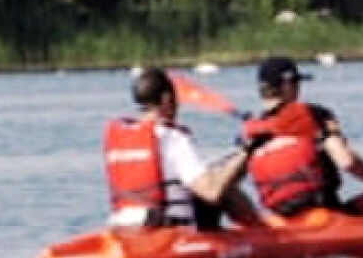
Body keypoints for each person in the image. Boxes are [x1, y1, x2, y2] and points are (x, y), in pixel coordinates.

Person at [240, 56, 363, 218]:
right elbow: (346, 161)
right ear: (288, 84)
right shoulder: (314, 115)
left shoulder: (252, 133)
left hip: (283, 214)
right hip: (326, 211)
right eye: (297, 84)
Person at [103, 66, 262, 230]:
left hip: (126, 230)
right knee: (223, 186)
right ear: (166, 100)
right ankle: (262, 234)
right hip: (172, 235)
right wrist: (248, 151)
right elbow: (211, 191)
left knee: (211, 174)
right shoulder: (172, 138)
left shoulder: (124, 137)